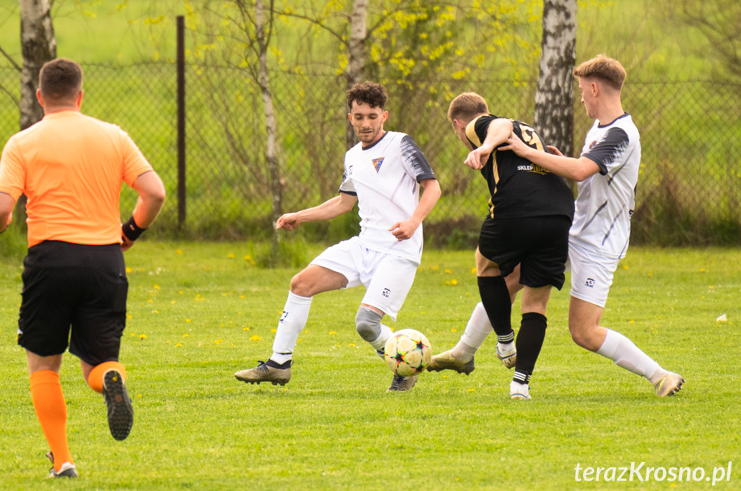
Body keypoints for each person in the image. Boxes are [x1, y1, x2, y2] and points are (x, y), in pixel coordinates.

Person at [0, 58, 165, 478]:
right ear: (81, 96)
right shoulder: (113, 136)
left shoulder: (23, 142)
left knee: (44, 365)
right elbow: (154, 192)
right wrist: (130, 231)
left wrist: (2, 223)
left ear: (40, 96)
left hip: (51, 260)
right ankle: (112, 381)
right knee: (98, 363)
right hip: (105, 261)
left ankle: (63, 460)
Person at [234, 81, 441, 392]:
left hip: (399, 250)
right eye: (359, 117)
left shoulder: (401, 144)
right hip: (364, 245)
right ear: (350, 118)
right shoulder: (353, 156)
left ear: (384, 115)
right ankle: (279, 364)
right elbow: (344, 202)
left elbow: (433, 188)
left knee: (366, 325)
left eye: (372, 116)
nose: (366, 123)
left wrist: (413, 222)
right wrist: (298, 216)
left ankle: (406, 367)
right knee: (300, 284)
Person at [500, 54, 684, 397]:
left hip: (599, 242)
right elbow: (583, 171)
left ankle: (661, 375)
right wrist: (555, 159)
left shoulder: (621, 134)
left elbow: (582, 171)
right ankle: (463, 353)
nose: (580, 96)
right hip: (573, 230)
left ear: (595, 87)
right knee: (510, 277)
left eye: (582, 90)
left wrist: (527, 153)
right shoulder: (599, 129)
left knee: (584, 331)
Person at [430, 92, 574, 400]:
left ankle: (505, 340)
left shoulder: (480, 125)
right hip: (559, 211)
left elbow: (500, 126)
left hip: (517, 208)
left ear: (458, 124)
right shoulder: (528, 130)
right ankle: (520, 384)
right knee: (536, 304)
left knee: (485, 263)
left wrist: (483, 145)